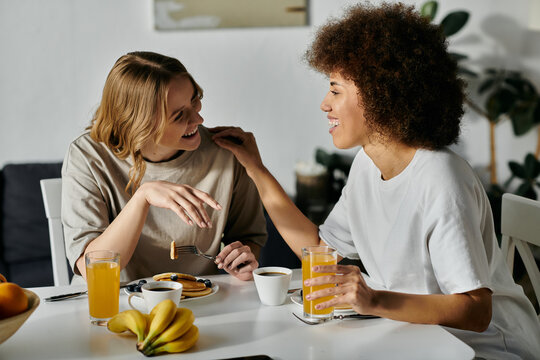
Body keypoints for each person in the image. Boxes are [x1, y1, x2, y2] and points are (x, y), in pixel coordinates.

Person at [211, 3, 540, 359]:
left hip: (482, 350)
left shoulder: (442, 178)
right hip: (414, 339)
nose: (325, 103)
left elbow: (476, 312)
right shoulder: (366, 165)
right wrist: (256, 169)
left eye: (336, 90)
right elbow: (318, 246)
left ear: (381, 94)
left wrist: (373, 300)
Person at [62, 51, 266, 283]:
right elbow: (93, 271)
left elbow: (249, 238)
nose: (198, 120)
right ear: (139, 125)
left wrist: (243, 258)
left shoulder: (228, 153)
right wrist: (143, 197)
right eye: (179, 116)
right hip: (110, 304)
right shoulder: (88, 156)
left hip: (197, 302)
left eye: (194, 100)